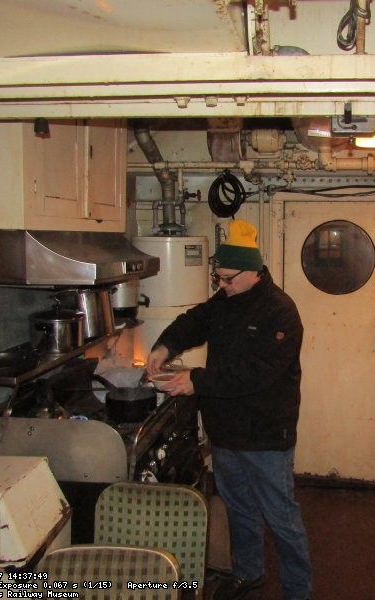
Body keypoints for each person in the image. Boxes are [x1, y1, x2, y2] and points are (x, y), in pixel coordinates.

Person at [146, 219, 312, 600]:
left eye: (226, 278)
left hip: (267, 435)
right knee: (239, 510)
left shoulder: (280, 313)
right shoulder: (225, 301)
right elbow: (194, 321)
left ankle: (298, 591)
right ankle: (249, 573)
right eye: (216, 278)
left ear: (253, 272)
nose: (220, 286)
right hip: (226, 432)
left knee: (282, 519)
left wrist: (196, 381)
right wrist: (165, 346)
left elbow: (255, 375)